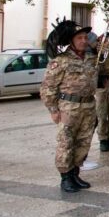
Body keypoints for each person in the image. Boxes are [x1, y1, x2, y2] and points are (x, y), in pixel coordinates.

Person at [41, 19, 98, 192]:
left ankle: (75, 173)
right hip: (69, 107)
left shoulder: (91, 58)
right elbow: (47, 87)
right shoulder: (61, 60)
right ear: (71, 40)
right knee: (66, 142)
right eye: (79, 38)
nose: (83, 41)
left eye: (85, 37)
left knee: (83, 142)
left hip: (88, 106)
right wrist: (53, 109)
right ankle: (65, 177)